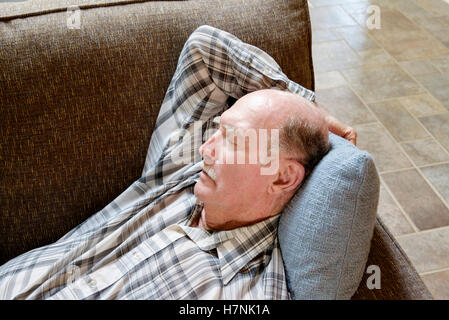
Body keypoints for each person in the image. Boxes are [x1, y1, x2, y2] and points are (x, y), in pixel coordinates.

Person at [0, 25, 356, 299]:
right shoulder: (179, 174)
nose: (206, 149)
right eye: (217, 130)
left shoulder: (246, 291)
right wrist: (310, 109)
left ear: (281, 178)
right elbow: (205, 47)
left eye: (232, 140)